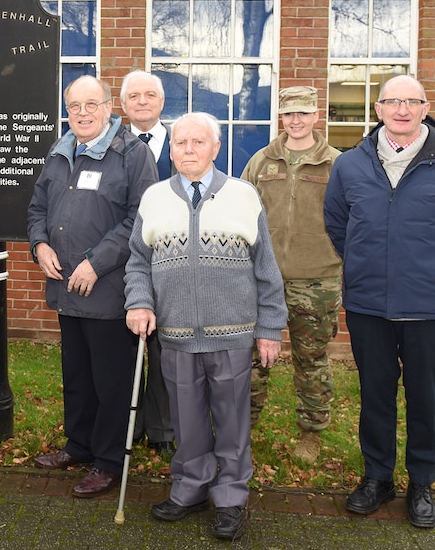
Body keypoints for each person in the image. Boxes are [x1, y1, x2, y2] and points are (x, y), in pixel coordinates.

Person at [323, 75, 435, 529]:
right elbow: (338, 225)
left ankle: (421, 482)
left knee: (424, 398)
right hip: (368, 305)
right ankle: (377, 477)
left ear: (424, 108)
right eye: (393, 101)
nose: (402, 109)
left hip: (430, 307)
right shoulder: (350, 166)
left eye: (411, 101)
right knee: (375, 396)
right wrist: (365, 264)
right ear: (377, 109)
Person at [125, 112, 287, 542]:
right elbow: (137, 263)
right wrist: (139, 302)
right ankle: (191, 486)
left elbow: (267, 269)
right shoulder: (154, 198)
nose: (189, 150)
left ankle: (231, 496)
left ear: (216, 149)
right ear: (171, 149)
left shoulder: (243, 196)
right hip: (175, 334)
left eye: (199, 142)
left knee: (232, 419)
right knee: (187, 418)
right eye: (181, 143)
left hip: (232, 332)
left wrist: (270, 326)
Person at [27, 74, 157, 498]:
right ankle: (79, 445)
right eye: (73, 106)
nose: (81, 114)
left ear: (107, 108)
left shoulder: (132, 154)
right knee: (77, 375)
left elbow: (140, 218)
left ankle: (108, 461)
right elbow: (38, 207)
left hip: (108, 291)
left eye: (90, 105)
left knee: (112, 381)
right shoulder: (60, 150)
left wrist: (95, 263)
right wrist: (40, 244)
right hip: (67, 290)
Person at [241, 86, 342, 464]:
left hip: (316, 280)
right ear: (280, 117)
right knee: (251, 359)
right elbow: (243, 214)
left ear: (317, 115)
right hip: (262, 278)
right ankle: (242, 430)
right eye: (288, 114)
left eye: (303, 113)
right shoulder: (261, 161)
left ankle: (311, 434)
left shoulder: (335, 163)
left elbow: (351, 219)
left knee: (311, 358)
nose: (295, 121)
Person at [119, 69, 175, 455]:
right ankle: (128, 425)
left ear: (161, 102)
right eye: (134, 96)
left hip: (172, 266)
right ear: (123, 104)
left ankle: (163, 431)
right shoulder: (110, 145)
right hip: (125, 266)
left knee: (166, 354)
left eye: (149, 95)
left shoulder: (183, 144)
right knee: (125, 352)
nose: (142, 101)